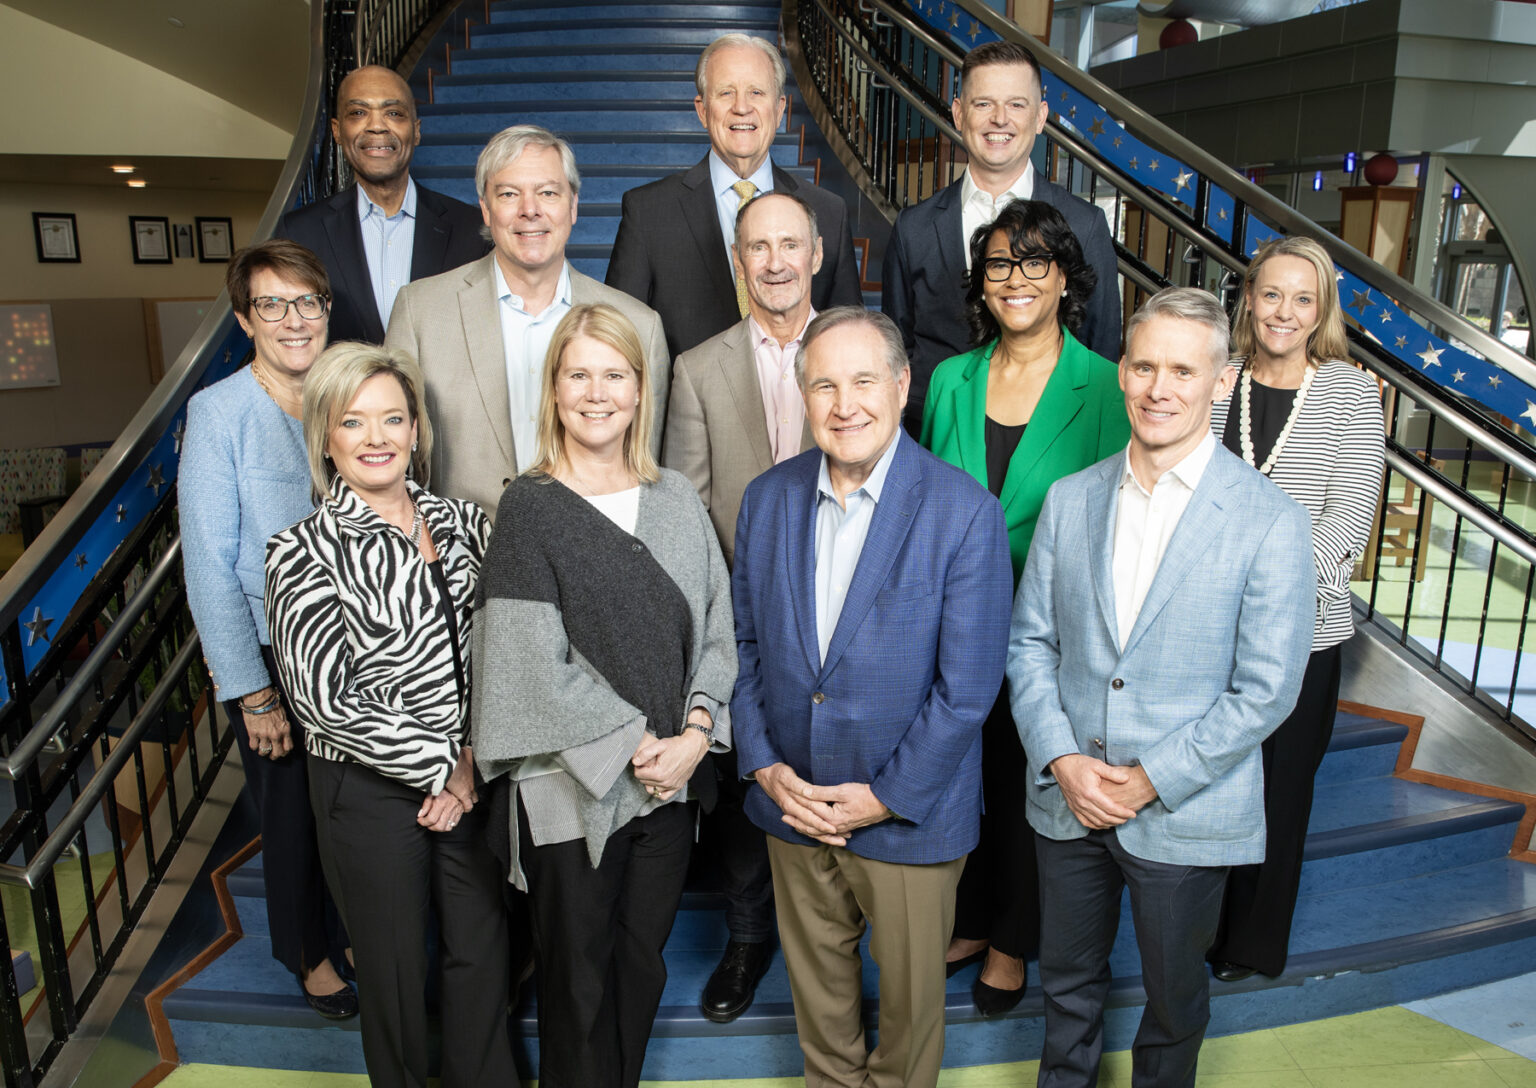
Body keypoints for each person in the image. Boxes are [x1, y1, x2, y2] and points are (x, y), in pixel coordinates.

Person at [1009, 287, 1315, 1088]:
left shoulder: (1268, 519)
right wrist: (1063, 761)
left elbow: (1268, 689)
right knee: (1067, 991)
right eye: (1144, 365)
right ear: (1121, 372)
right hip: (1069, 800)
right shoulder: (1070, 501)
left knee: (1176, 1004)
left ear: (1222, 381)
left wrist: (1150, 779)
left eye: (1183, 369)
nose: (1159, 388)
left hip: (1185, 807)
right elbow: (1030, 645)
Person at [732, 307, 1012, 1087]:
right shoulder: (767, 499)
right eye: (824, 384)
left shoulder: (964, 512)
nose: (844, 403)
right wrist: (763, 767)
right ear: (803, 396)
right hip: (793, 805)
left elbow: (968, 692)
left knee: (910, 1022)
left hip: (908, 815)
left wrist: (883, 798)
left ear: (901, 385)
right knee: (819, 1010)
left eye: (863, 381)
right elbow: (743, 648)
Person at [473, 304, 737, 1088]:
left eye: (614, 374)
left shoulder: (677, 501)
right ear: (553, 390)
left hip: (670, 785)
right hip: (566, 792)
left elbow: (719, 633)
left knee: (637, 968)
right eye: (577, 374)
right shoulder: (529, 506)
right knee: (576, 981)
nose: (597, 392)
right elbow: (524, 669)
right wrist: (637, 744)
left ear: (639, 388)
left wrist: (695, 733)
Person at [264, 343, 516, 1088]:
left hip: (472, 775)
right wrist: (444, 767)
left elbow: (504, 651)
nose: (376, 438)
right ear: (326, 439)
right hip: (366, 791)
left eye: (392, 419)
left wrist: (472, 763)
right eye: (353, 422)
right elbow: (324, 700)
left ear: (415, 431)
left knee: (481, 949)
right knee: (396, 971)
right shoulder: (300, 551)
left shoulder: (468, 523)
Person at [918, 199, 1129, 1015]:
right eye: (1001, 263)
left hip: (1052, 631)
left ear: (1067, 278)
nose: (1016, 279)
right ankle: (968, 920)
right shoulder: (949, 379)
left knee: (1023, 784)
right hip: (953, 623)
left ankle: (1011, 939)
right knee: (955, 777)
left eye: (1036, 261)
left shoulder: (1106, 386)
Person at [180, 239, 354, 1020]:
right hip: (269, 655)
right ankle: (307, 954)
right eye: (272, 305)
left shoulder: (347, 387)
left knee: (352, 807)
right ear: (246, 321)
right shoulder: (219, 412)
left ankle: (348, 933)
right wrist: (251, 695)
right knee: (290, 817)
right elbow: (211, 565)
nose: (293, 319)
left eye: (306, 302)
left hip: (354, 647)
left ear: (326, 309)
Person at [661, 189, 822, 1023]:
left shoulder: (860, 351)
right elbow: (686, 513)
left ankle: (831, 949)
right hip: (744, 624)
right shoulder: (699, 366)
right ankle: (750, 939)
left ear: (817, 255)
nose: (775, 262)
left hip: (846, 625)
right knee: (748, 795)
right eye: (757, 247)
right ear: (738, 262)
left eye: (789, 244)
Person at [1206, 236, 1385, 982]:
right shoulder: (1220, 383)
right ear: (1249, 299)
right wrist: (1201, 405)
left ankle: (1251, 944)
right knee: (1210, 784)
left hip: (1305, 633)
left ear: (1321, 312)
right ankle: (1191, 926)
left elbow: (1350, 519)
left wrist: (1263, 587)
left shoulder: (1348, 394)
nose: (1284, 311)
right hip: (1208, 631)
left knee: (1281, 791)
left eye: (1302, 299)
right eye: (1272, 293)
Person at [385, 124, 669, 515]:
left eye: (548, 193)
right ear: (485, 208)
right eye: (509, 194)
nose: (530, 209)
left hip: (591, 561)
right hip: (461, 559)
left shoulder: (640, 325)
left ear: (573, 206)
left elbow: (644, 470)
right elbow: (392, 452)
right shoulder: (420, 312)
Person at [883, 40, 1122, 434]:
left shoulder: (1084, 224)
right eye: (983, 104)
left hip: (1053, 439)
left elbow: (1101, 348)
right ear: (959, 114)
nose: (999, 119)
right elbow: (895, 350)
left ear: (1041, 116)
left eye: (1016, 104)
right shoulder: (914, 228)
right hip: (936, 439)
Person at [606, 32, 863, 358]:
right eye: (726, 93)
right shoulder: (648, 212)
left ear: (780, 107)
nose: (742, 108)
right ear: (702, 110)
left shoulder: (828, 211)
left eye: (756, 92)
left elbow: (850, 345)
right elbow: (616, 345)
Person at [275, 65, 488, 344]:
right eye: (358, 113)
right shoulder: (300, 232)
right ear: (338, 132)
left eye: (394, 113)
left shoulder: (473, 230)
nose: (376, 126)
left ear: (416, 131)